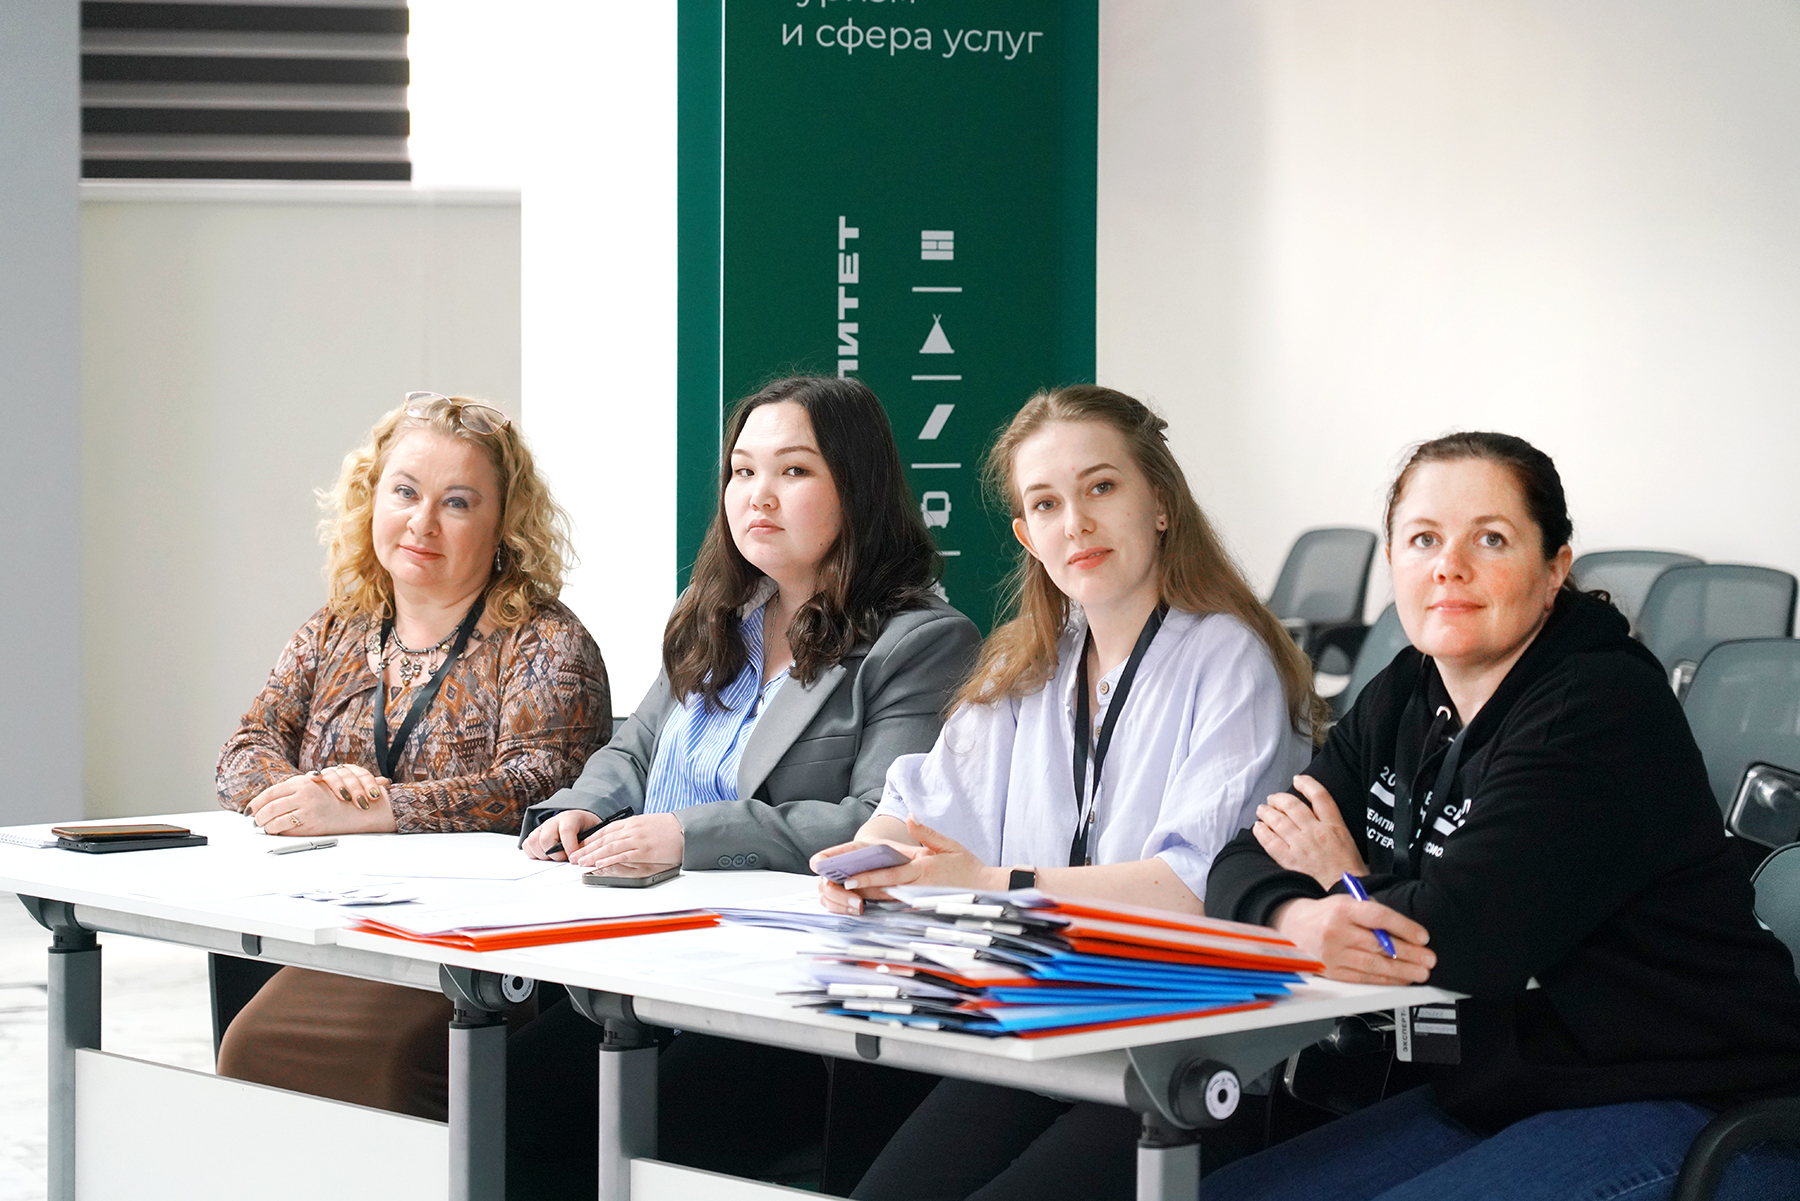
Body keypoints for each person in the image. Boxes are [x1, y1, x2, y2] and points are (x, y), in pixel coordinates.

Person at [1203, 432, 1800, 1200]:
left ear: (1554, 569)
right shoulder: (1407, 687)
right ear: (1395, 561)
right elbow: (1242, 860)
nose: (1449, 564)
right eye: (1423, 538)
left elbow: (1457, 940)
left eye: (1490, 538)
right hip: (1515, 1085)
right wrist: (1299, 918)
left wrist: (1344, 881)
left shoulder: (1599, 707)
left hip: (1690, 1100)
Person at [817, 385, 1322, 1201]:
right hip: (1041, 1018)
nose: (1076, 523)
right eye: (1046, 503)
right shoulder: (1031, 658)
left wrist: (993, 883)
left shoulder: (1229, 658)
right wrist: (863, 859)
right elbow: (921, 807)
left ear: (1160, 502)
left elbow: (1192, 886)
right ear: (1028, 534)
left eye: (1102, 487)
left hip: (1179, 1039)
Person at [506, 375, 981, 1195]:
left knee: (593, 1123)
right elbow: (639, 742)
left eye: (793, 471)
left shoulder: (920, 640)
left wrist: (690, 833)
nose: (758, 495)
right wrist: (584, 805)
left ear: (857, 488)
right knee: (505, 1094)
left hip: (778, 983)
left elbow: (880, 823)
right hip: (645, 947)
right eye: (742, 470)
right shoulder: (717, 609)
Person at [214, 392, 608, 1118]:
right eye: (404, 492)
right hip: (334, 921)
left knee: (371, 1065)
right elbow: (246, 748)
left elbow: (543, 783)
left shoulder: (546, 640)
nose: (422, 522)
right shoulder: (337, 628)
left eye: (457, 502)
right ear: (371, 500)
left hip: (474, 940)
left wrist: (379, 807)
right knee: (250, 1048)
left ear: (505, 524)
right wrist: (312, 790)